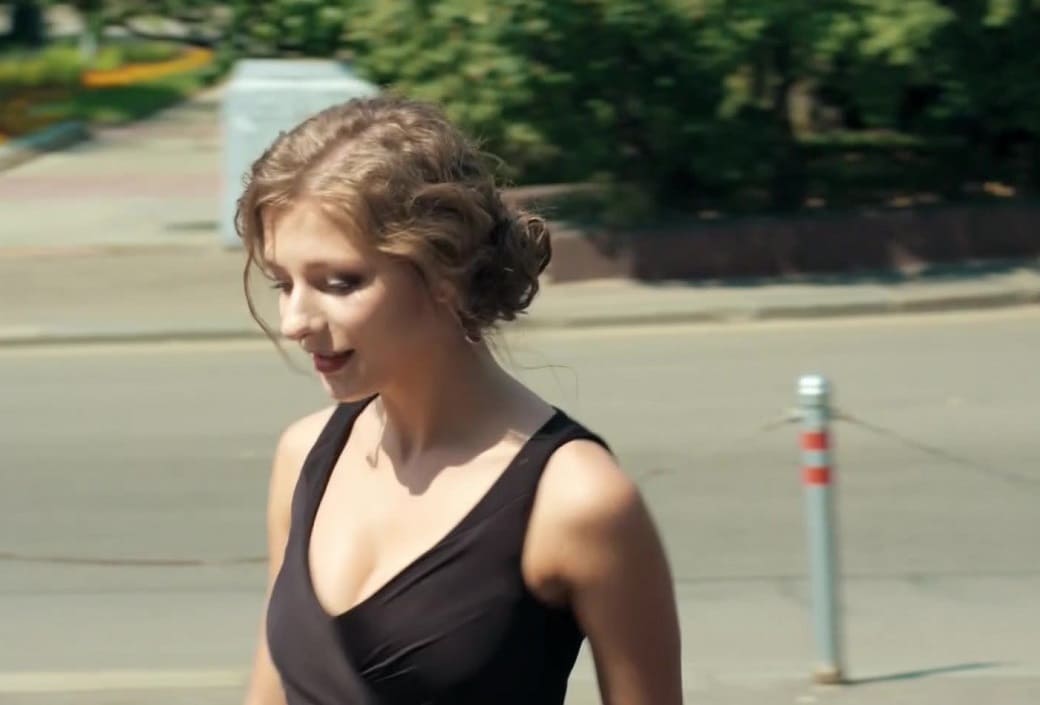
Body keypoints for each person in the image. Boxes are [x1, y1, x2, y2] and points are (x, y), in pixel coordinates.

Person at [237, 94, 683, 705]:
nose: (294, 321)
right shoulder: (304, 454)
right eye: (283, 283)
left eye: (338, 282)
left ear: (444, 270)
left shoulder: (577, 500)